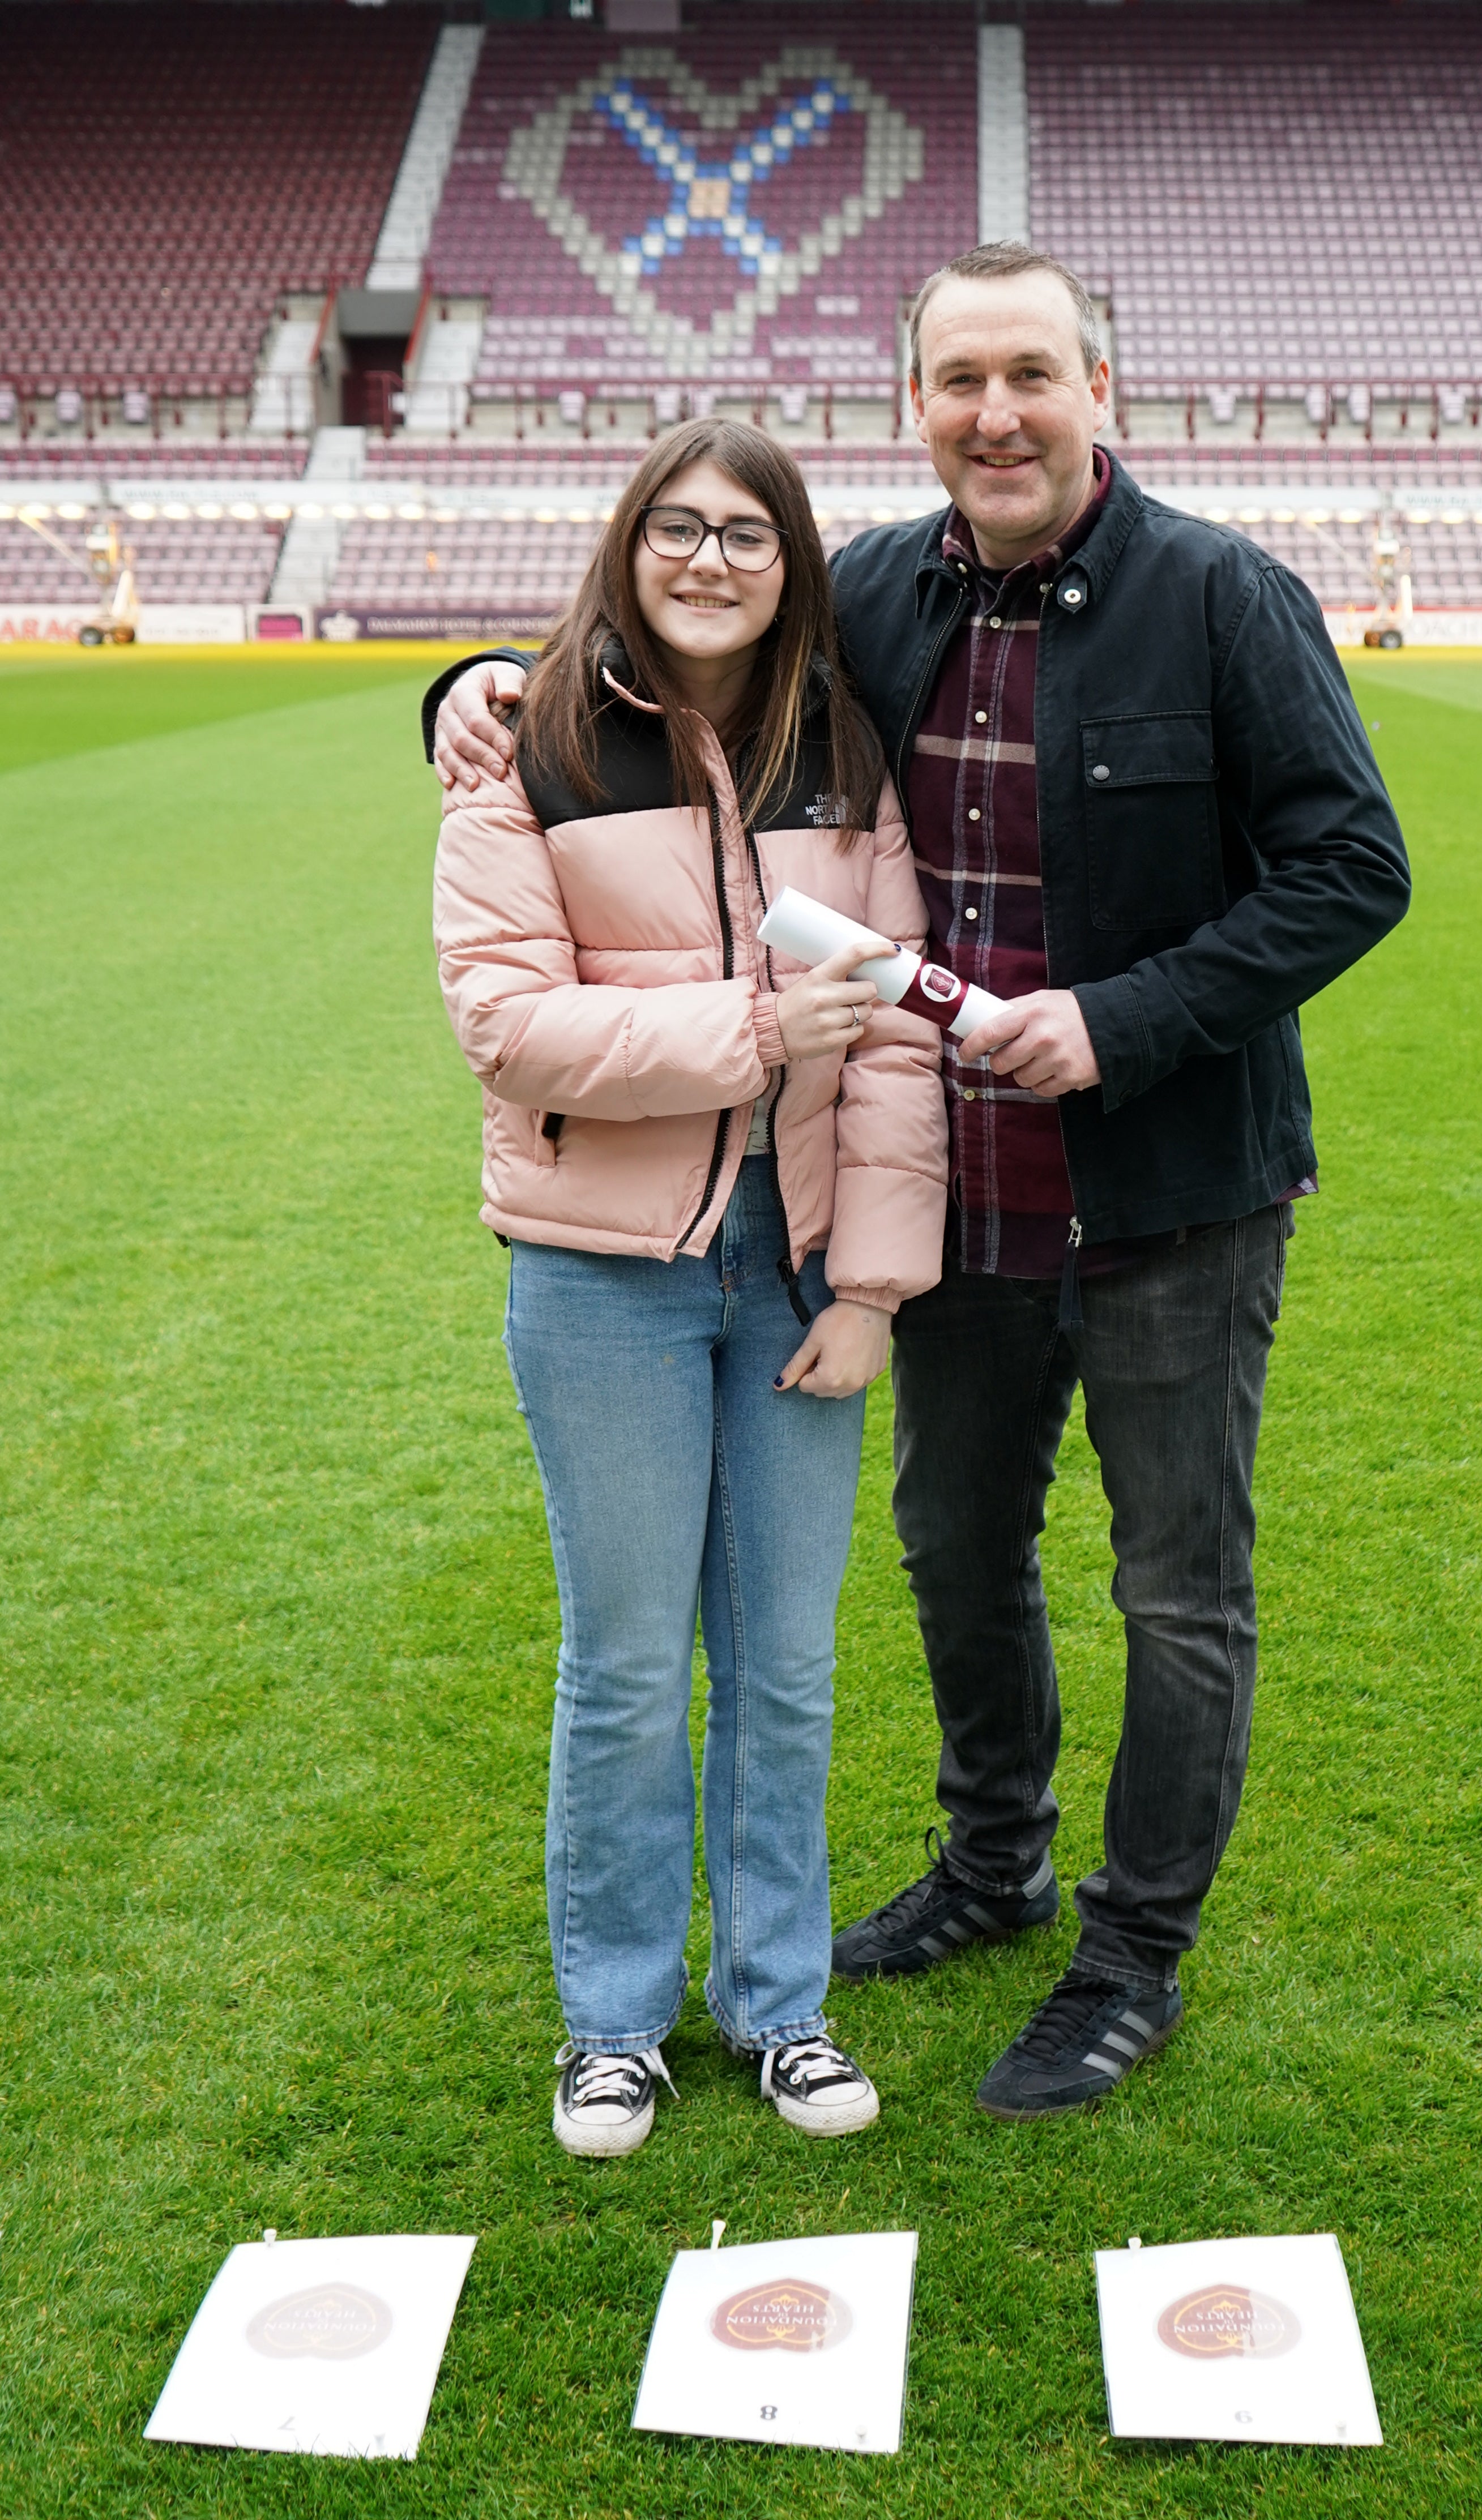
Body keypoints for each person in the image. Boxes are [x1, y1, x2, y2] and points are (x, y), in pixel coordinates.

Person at [427, 244, 1411, 2125]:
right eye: (961, 380)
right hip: (949, 1192)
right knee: (959, 1550)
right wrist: (479, 685)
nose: (997, 413)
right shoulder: (871, 593)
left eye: (1032, 373)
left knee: (1176, 1586)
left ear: (1101, 386)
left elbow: (1352, 868)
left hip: (1170, 1190)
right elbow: (675, 683)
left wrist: (1119, 1021)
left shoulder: (1225, 595)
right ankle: (992, 1862)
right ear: (918, 405)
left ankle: (1130, 1951)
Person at [432, 416, 946, 2157]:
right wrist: (753, 1029)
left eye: (747, 532)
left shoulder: (842, 747)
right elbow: (509, 1023)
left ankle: (781, 2006)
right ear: (627, 543)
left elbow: (894, 1051)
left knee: (786, 1665)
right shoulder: (527, 741)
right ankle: (614, 2025)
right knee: (632, 1665)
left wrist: (873, 1287)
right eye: (678, 527)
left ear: (791, 563)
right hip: (602, 1276)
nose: (710, 559)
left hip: (797, 1267)